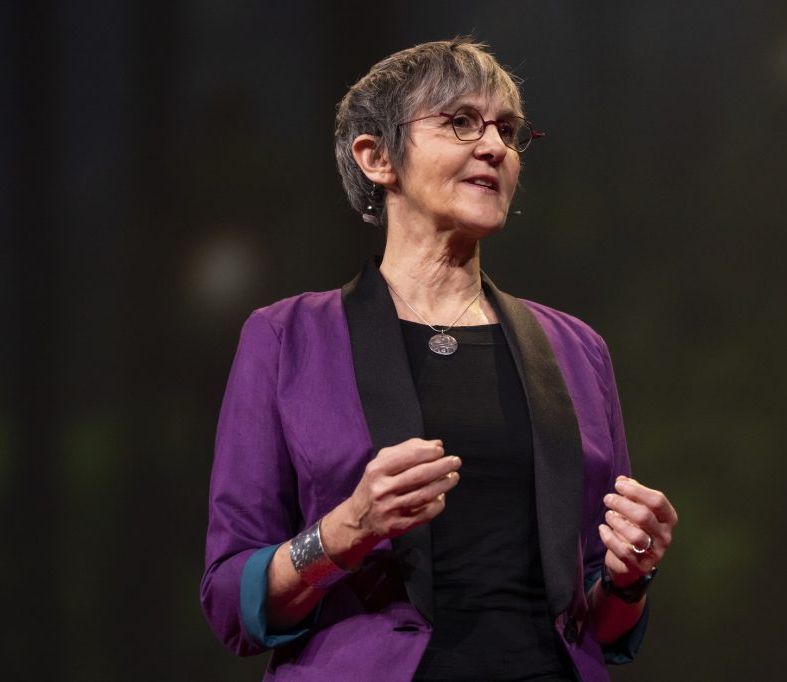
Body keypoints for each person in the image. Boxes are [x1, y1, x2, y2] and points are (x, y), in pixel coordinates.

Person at [201, 37, 677, 682]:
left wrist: (628, 578)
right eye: (461, 122)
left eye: (508, 131)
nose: (495, 148)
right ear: (376, 157)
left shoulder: (576, 350)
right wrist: (344, 531)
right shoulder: (287, 339)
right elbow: (231, 602)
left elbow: (603, 626)